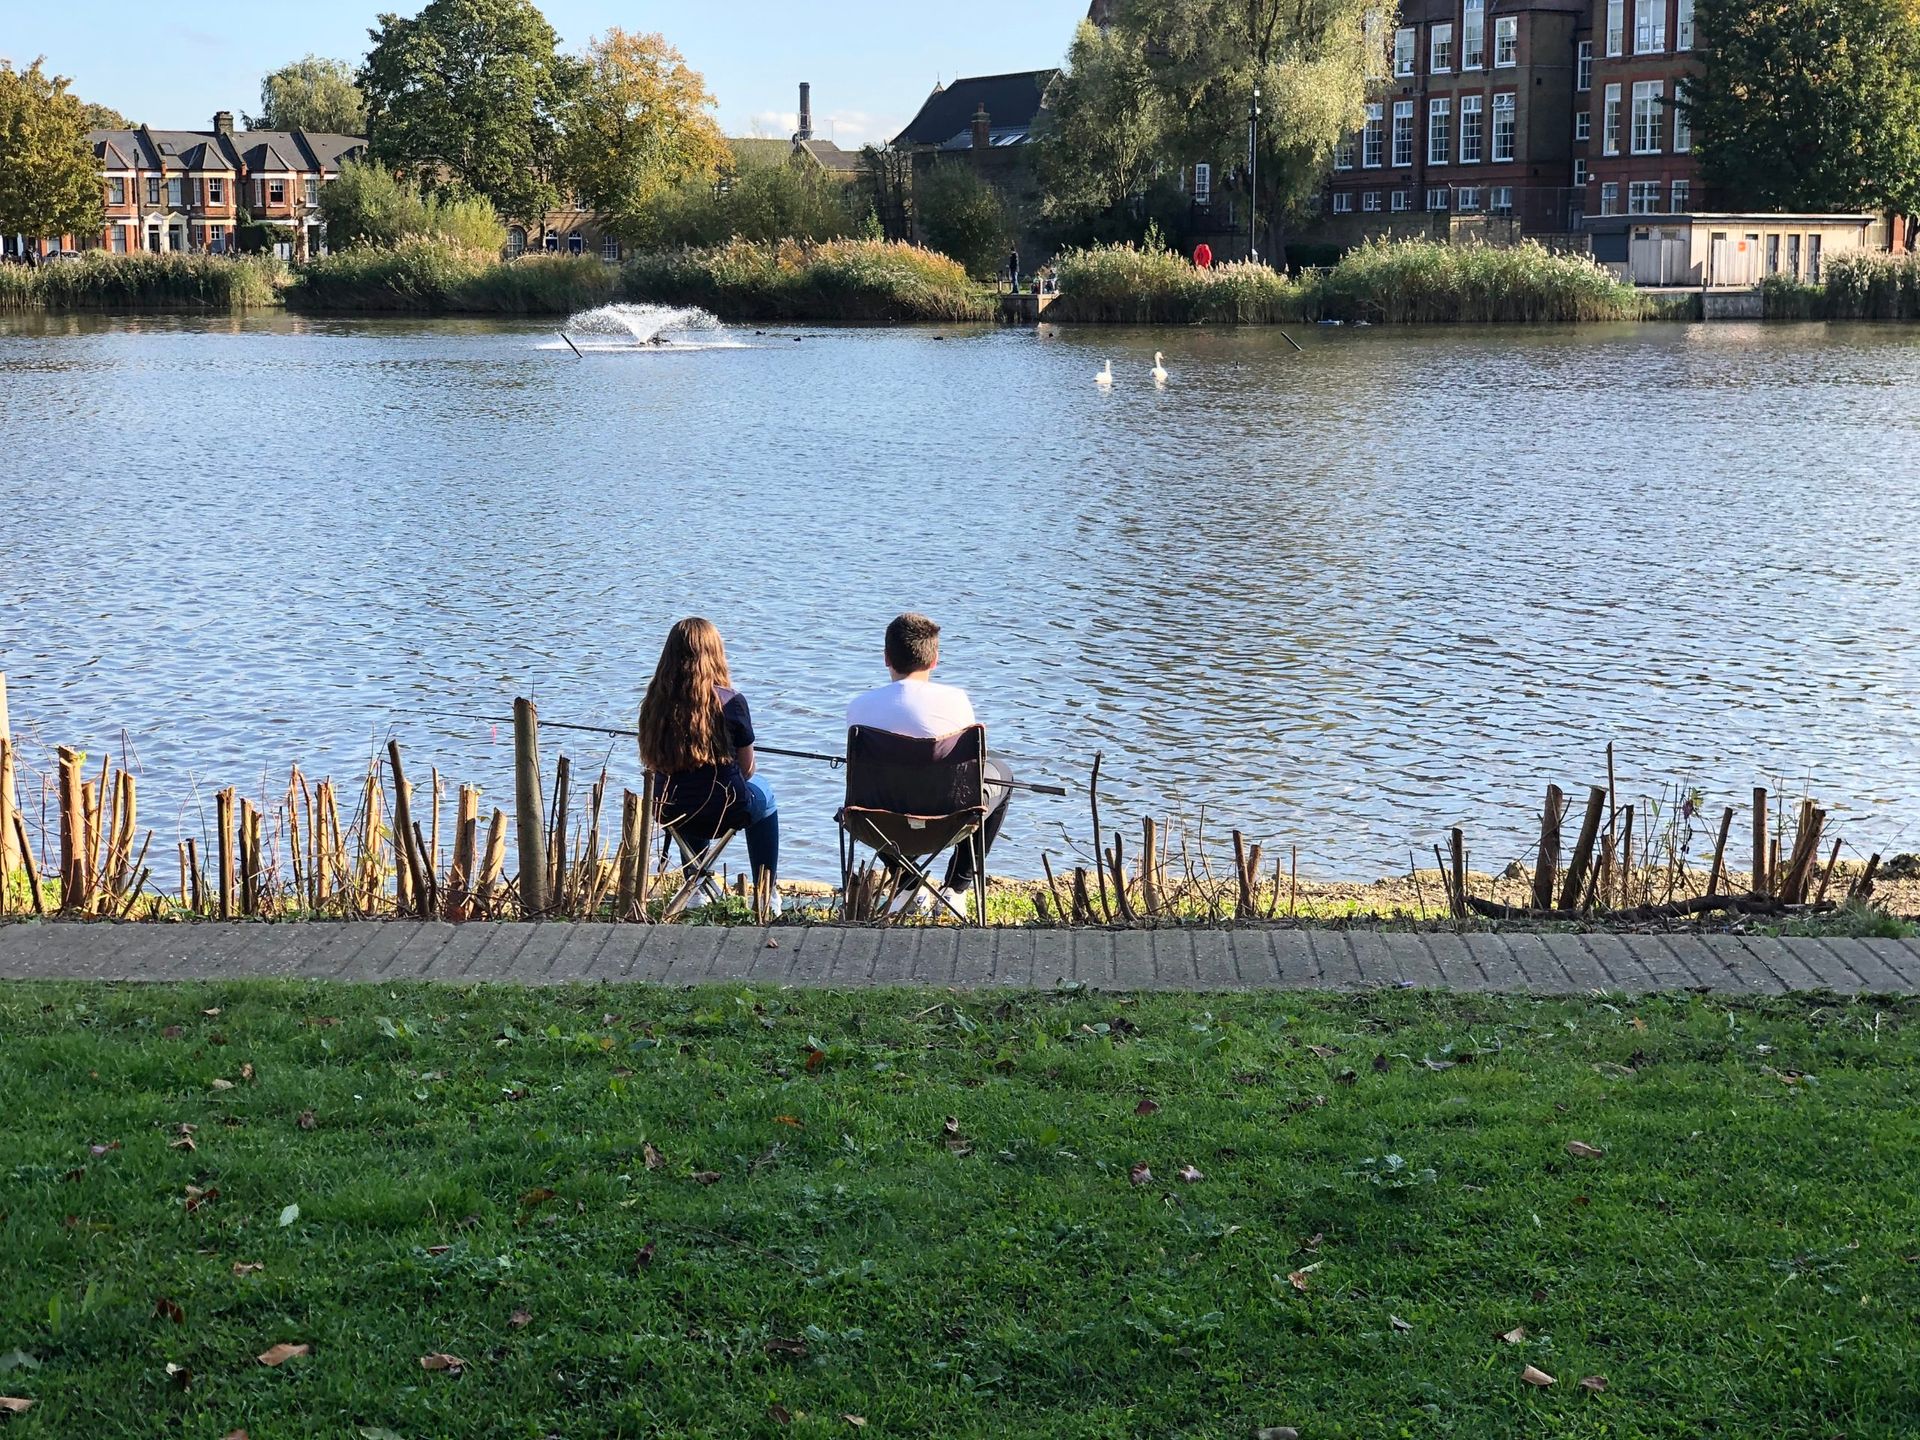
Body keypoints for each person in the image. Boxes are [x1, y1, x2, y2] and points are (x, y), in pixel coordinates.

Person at [847, 612, 1012, 910]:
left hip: (879, 822)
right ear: (935, 659)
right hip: (951, 820)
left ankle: (908, 884)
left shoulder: (859, 707)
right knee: (1002, 775)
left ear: (886, 658)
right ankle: (956, 888)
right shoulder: (957, 700)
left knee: (864, 799)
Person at [637, 617, 779, 910]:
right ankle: (767, 893)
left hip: (670, 809)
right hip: (727, 809)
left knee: (686, 793)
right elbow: (748, 768)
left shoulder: (654, 702)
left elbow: (651, 760)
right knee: (766, 796)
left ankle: (696, 883)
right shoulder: (731, 701)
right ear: (715, 653)